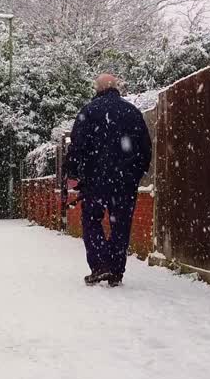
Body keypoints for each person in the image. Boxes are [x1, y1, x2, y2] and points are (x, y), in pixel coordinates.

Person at [64, 74, 152, 286]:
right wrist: (135, 174)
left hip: (95, 180)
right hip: (125, 182)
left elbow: (77, 146)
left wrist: (74, 172)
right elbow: (145, 148)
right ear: (116, 88)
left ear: (97, 89)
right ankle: (115, 270)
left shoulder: (88, 112)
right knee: (121, 224)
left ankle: (100, 265)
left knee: (92, 221)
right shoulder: (132, 112)